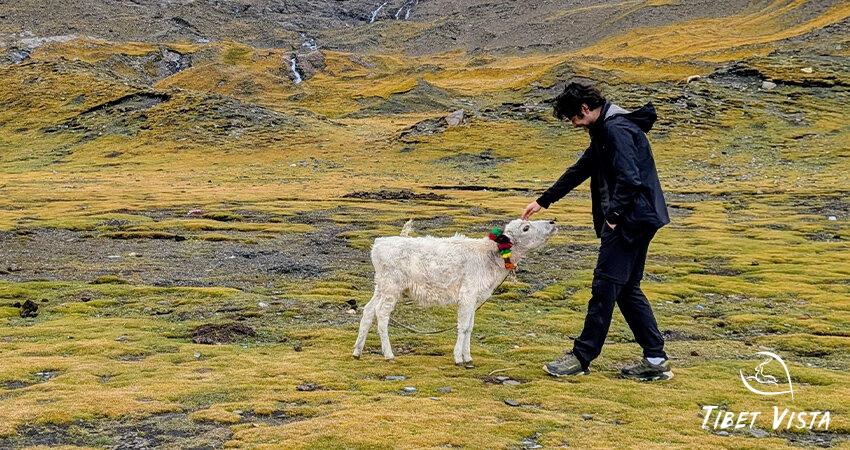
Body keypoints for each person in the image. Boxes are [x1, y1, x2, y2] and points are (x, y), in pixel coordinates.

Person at [522, 81, 672, 381]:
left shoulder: (617, 130)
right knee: (627, 289)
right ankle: (655, 359)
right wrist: (544, 200)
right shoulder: (604, 130)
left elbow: (630, 179)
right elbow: (582, 168)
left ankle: (581, 356)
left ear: (584, 109)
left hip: (630, 222)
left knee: (604, 287)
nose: (574, 125)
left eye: (573, 119)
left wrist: (613, 218)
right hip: (641, 219)